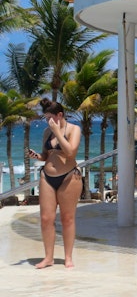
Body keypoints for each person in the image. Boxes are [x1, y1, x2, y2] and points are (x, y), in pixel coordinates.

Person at [27, 99, 82, 269]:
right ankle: (48, 257)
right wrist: (38, 156)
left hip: (69, 177)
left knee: (67, 218)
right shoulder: (46, 132)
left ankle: (68, 257)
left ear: (60, 115)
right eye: (46, 119)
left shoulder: (74, 129)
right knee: (45, 219)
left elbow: (71, 153)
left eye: (51, 118)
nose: (48, 122)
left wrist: (57, 132)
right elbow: (47, 154)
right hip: (47, 177)